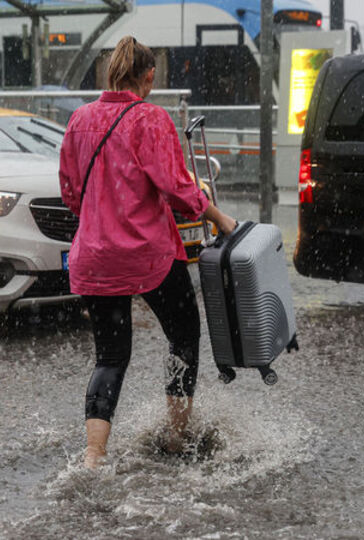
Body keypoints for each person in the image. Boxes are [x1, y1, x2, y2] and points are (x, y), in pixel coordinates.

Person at [58, 35, 237, 469]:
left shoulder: (79, 120)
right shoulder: (151, 120)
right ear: (149, 75)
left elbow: (69, 192)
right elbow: (176, 189)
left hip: (95, 257)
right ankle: (177, 438)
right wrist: (219, 218)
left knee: (111, 356)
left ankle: (94, 455)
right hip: (148, 256)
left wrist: (106, 213)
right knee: (183, 336)